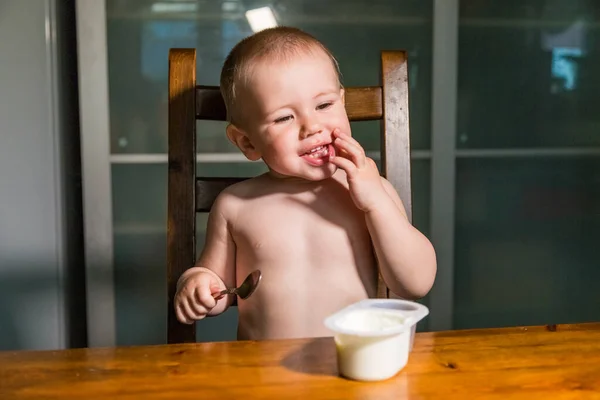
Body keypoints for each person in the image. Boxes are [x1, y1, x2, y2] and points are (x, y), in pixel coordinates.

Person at [174, 26, 436, 340]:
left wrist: (376, 203)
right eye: (284, 118)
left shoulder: (369, 190)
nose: (312, 127)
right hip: (262, 376)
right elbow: (218, 285)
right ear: (247, 142)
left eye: (324, 106)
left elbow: (415, 283)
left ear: (343, 103)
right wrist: (197, 284)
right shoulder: (235, 205)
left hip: (350, 367)